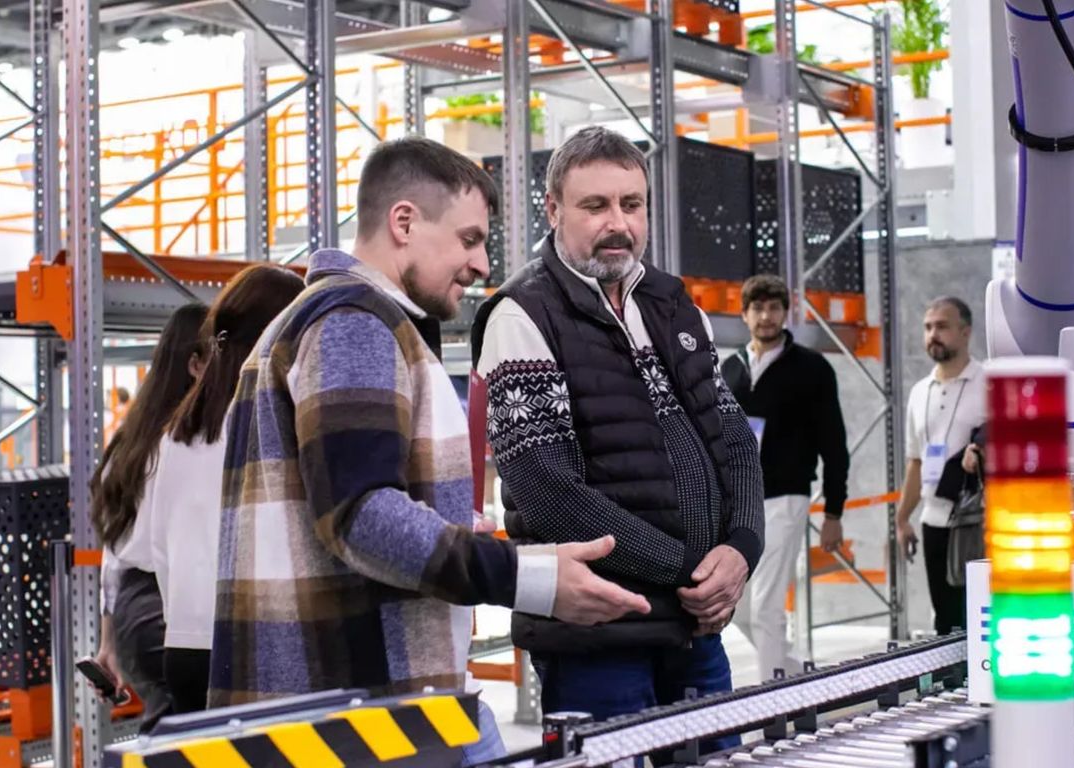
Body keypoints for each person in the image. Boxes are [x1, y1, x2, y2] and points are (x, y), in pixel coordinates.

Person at [208, 136, 651, 717]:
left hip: (338, 700)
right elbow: (361, 515)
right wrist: (527, 578)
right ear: (404, 222)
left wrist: (468, 535)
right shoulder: (353, 323)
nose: (483, 265)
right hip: (350, 708)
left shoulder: (332, 320)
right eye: (469, 239)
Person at [470, 126, 765, 748]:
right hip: (599, 638)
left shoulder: (675, 306)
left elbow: (735, 441)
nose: (618, 224)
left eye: (632, 204)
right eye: (595, 205)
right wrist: (691, 574)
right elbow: (548, 494)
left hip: (694, 631)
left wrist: (741, 549)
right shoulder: (522, 314)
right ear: (553, 210)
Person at [147, 264, 305, 715]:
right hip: (252, 642)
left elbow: (160, 547)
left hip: (184, 645)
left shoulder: (177, 433)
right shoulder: (267, 424)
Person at [720, 273, 849, 680]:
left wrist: (834, 511)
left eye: (774, 308)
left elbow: (834, 442)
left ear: (786, 313)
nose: (766, 316)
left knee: (766, 607)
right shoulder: (729, 369)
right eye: (757, 308)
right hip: (739, 503)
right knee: (737, 607)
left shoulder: (812, 368)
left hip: (786, 496)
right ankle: (795, 675)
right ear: (744, 315)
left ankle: (773, 703)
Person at [91, 302, 208, 728]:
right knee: (189, 736)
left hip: (134, 612)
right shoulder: (184, 445)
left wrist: (109, 641)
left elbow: (114, 557)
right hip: (167, 605)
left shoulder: (131, 442)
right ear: (195, 365)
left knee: (169, 730)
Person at [895, 297, 985, 636]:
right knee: (946, 622)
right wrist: (902, 518)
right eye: (928, 327)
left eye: (942, 326)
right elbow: (916, 461)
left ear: (965, 332)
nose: (933, 334)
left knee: (978, 616)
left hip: (978, 520)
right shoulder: (920, 392)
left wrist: (982, 451)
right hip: (933, 521)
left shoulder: (989, 383)